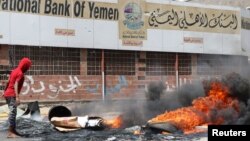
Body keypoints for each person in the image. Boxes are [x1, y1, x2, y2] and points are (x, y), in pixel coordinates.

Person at [3, 57, 32, 138]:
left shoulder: (14, 71)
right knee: (12, 113)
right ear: (25, 66)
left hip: (8, 94)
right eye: (28, 67)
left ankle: (13, 130)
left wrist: (4, 91)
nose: (28, 69)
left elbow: (8, 81)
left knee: (13, 112)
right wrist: (17, 97)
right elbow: (16, 84)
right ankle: (10, 132)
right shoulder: (20, 73)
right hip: (12, 95)